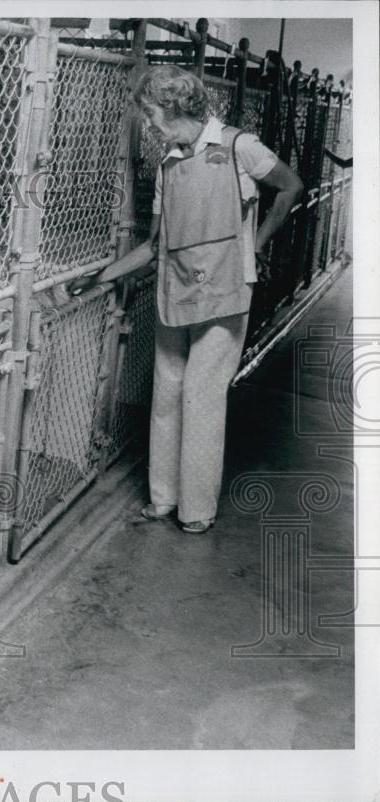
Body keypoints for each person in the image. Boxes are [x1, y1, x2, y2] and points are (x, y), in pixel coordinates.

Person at [73, 65, 304, 533]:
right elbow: (154, 246)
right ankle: (164, 498)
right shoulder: (169, 163)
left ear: (174, 106)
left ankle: (196, 510)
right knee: (168, 394)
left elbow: (291, 186)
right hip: (174, 290)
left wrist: (255, 246)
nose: (149, 121)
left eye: (152, 111)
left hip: (224, 292)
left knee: (202, 397)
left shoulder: (240, 145)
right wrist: (100, 276)